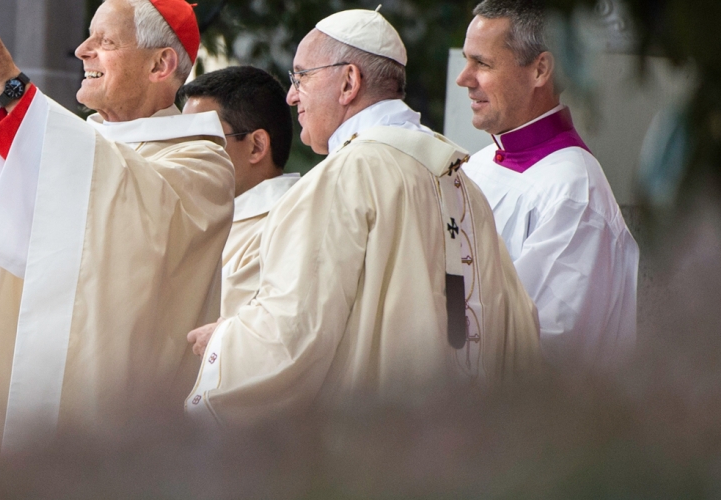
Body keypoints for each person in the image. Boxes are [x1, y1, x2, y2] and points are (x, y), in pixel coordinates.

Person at [0, 0, 234, 494]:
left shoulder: (199, 163)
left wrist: (11, 86)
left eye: (105, 41)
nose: (83, 50)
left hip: (112, 435)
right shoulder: (78, 148)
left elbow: (127, 233)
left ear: (160, 64)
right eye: (87, 37)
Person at [184, 8, 542, 427]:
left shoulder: (343, 179)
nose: (291, 96)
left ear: (349, 82)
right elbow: (516, 327)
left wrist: (223, 343)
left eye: (301, 77)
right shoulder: (460, 181)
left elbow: (294, 337)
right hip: (461, 447)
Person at [456, 0, 638, 372]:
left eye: (483, 64)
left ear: (540, 69)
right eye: (466, 60)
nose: (464, 78)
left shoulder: (573, 192)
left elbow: (544, 350)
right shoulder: (475, 165)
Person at [179, 66, 299, 320]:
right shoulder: (194, 213)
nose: (184, 154)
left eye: (202, 141)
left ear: (256, 146)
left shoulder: (285, 223)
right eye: (180, 141)